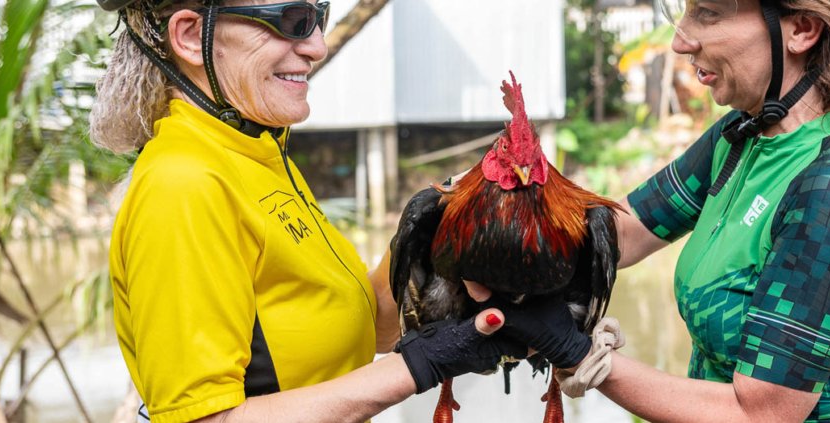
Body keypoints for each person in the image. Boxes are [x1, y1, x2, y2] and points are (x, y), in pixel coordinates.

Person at [494, 0, 830, 421]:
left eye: (708, 13)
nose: (680, 41)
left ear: (801, 29)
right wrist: (491, 246)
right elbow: (620, 233)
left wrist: (580, 356)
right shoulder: (742, 136)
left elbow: (760, 413)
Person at [88, 0, 522, 421]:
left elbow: (365, 327)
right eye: (292, 19)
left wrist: (434, 224)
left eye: (319, 16)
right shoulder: (184, 182)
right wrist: (418, 365)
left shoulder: (256, 156)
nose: (318, 46)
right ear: (189, 35)